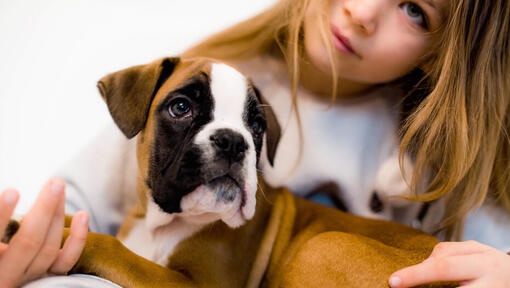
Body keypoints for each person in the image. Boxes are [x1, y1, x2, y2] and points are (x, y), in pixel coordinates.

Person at [2, 0, 509, 287]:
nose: (361, 10)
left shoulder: (434, 149)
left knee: (318, 256)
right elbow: (67, 211)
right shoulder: (186, 73)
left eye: (414, 9)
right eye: (183, 111)